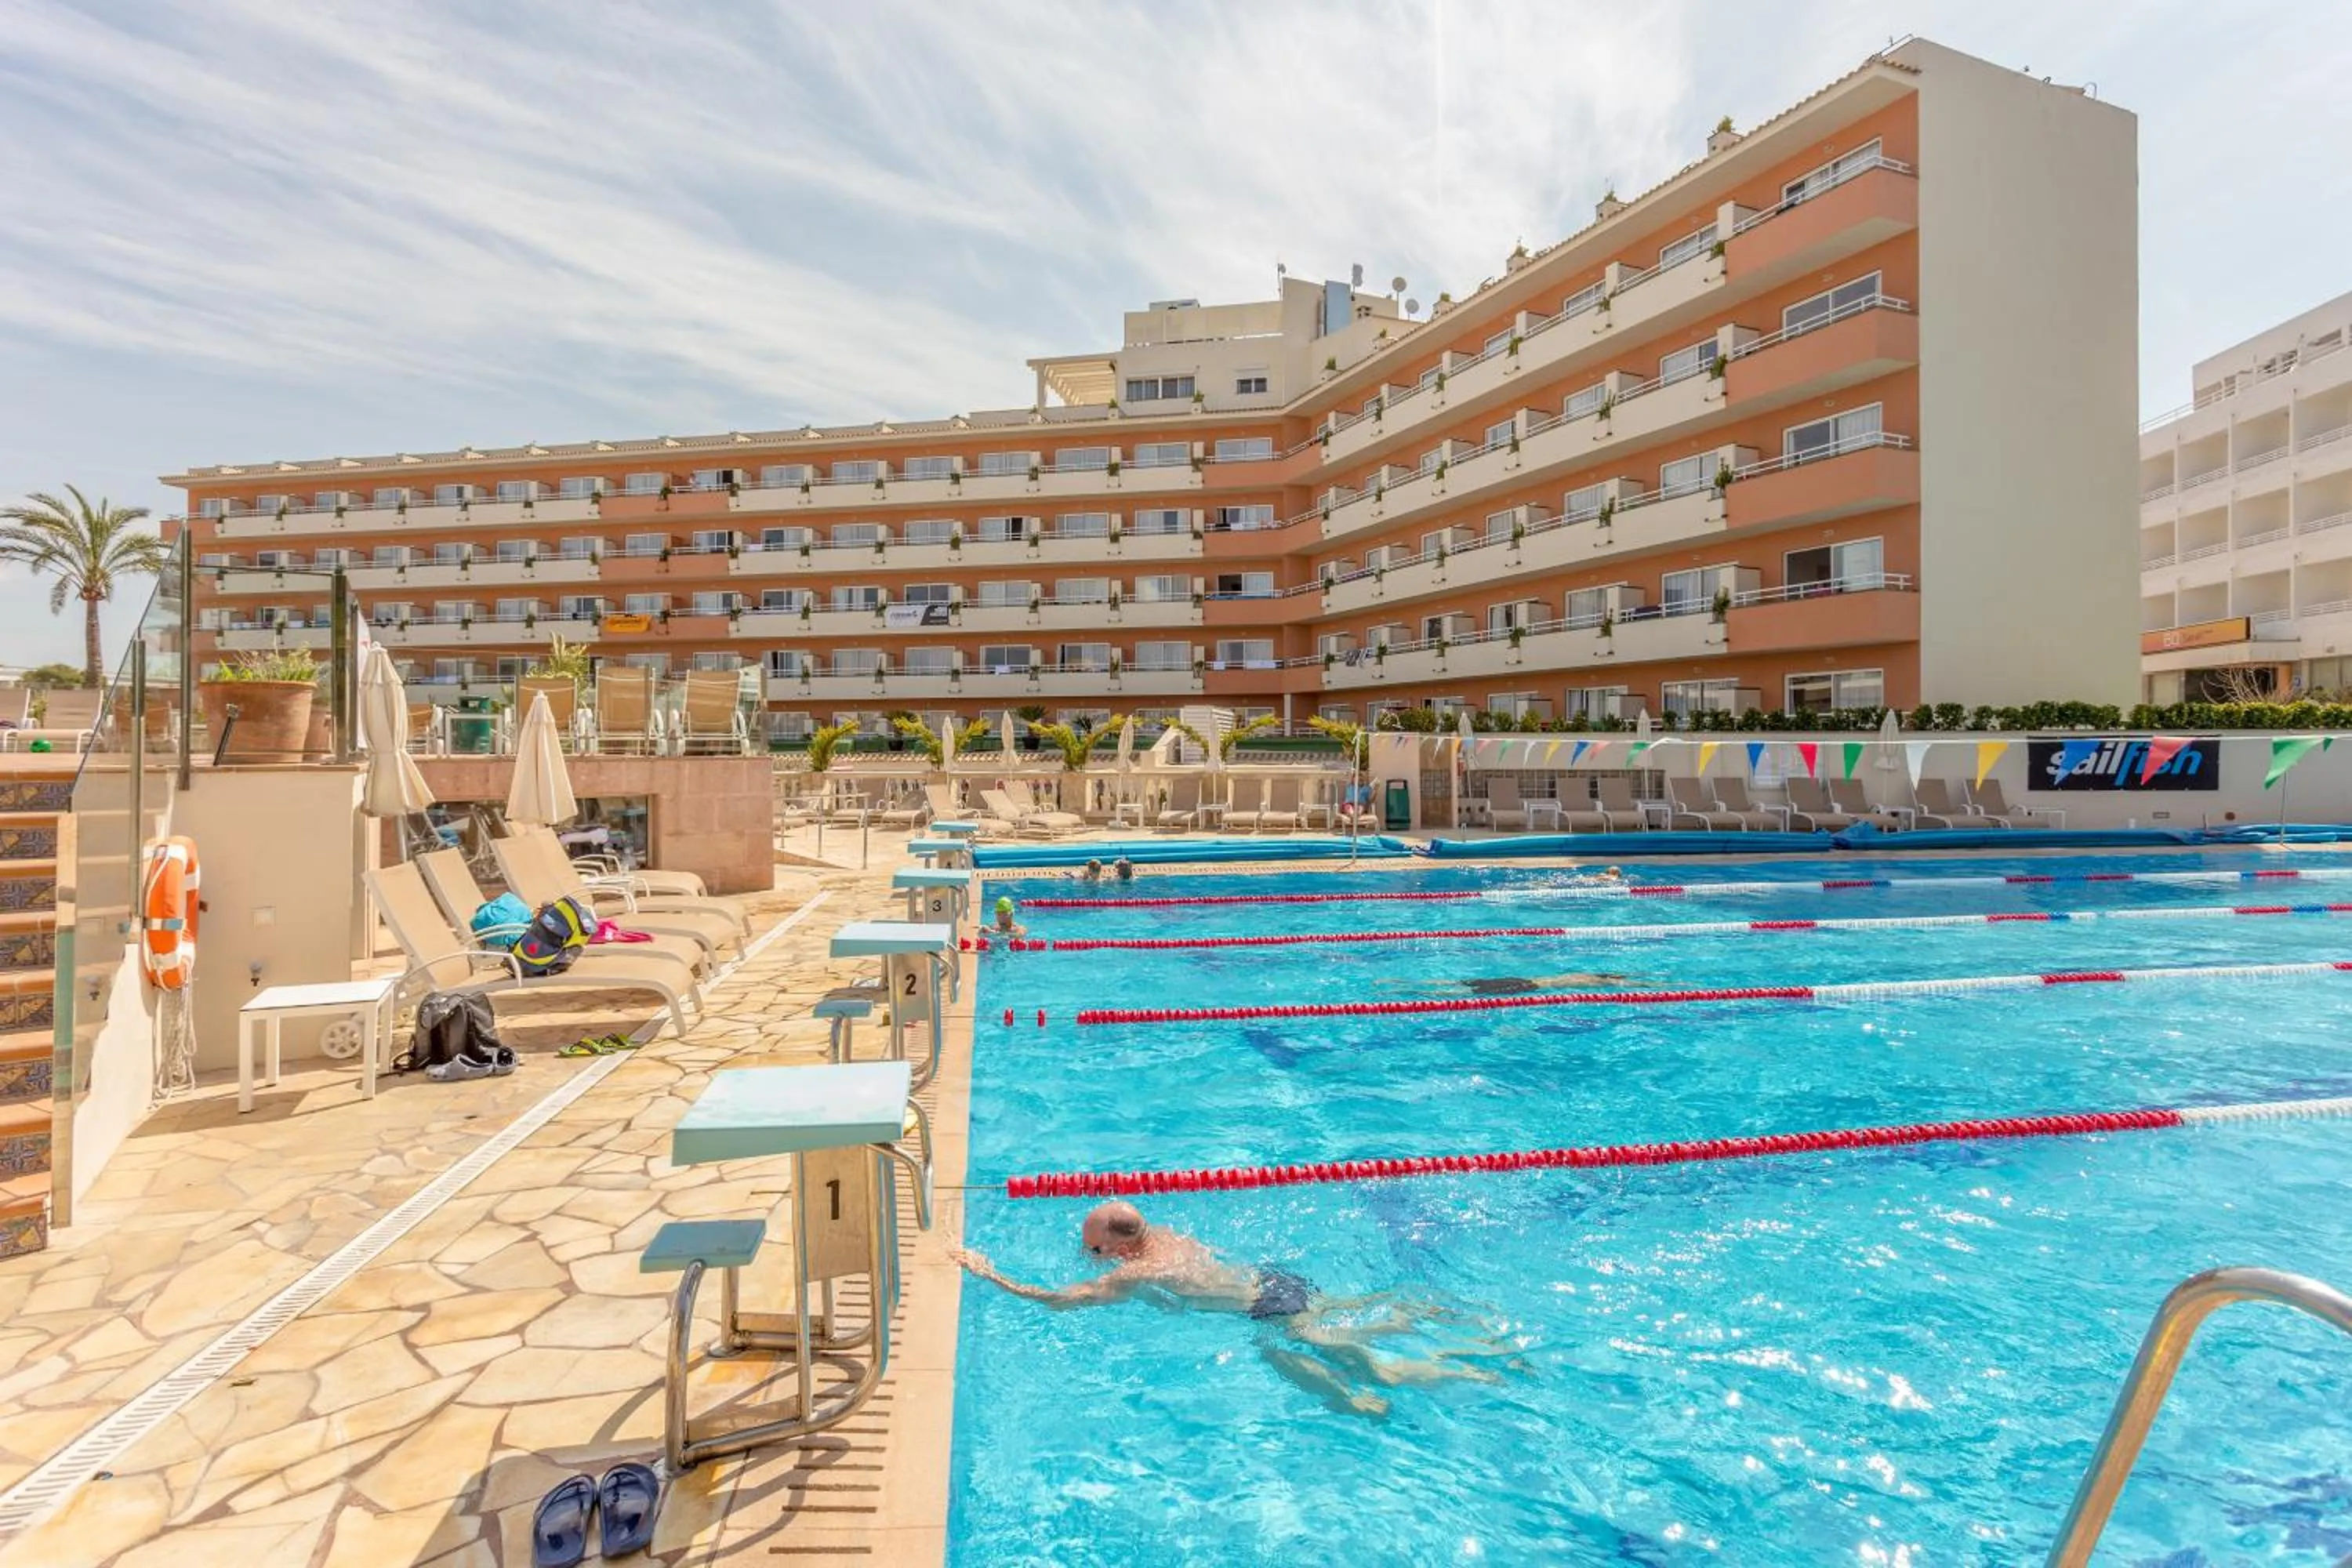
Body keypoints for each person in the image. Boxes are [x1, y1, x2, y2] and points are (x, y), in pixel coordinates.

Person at [952, 1201, 1522, 1418]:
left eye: (1092, 1247)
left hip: (1270, 1306)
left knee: (1367, 1363)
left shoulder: (1136, 1271)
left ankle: (1469, 1367)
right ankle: (1416, 1319)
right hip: (1276, 1279)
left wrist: (989, 1273)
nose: (1087, 1254)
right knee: (1310, 1343)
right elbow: (1186, 1285)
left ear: (1121, 1248)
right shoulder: (1166, 1238)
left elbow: (1058, 1302)